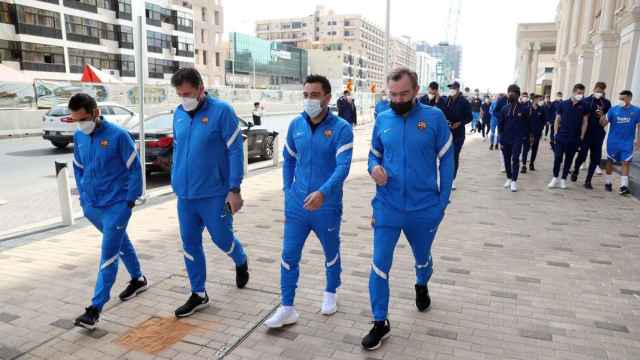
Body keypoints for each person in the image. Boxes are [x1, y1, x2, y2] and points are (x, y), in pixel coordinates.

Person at [363, 68, 454, 350]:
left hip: (424, 208)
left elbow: (448, 161)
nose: (398, 99)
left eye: (403, 94)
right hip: (387, 206)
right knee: (379, 263)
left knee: (422, 258)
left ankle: (421, 281)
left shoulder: (434, 118)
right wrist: (373, 169)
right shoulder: (383, 118)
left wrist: (441, 203)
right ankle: (380, 322)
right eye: (392, 94)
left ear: (416, 91)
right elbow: (373, 155)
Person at [264, 75, 354, 328]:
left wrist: (323, 193)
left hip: (327, 205)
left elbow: (343, 167)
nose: (309, 100)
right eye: (306, 95)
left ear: (327, 97)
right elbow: (288, 158)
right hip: (297, 204)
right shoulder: (296, 125)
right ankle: (287, 307)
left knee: (330, 251)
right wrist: (287, 190)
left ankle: (330, 292)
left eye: (314, 95)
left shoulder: (341, 129)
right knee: (288, 254)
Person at [170, 68, 250, 318]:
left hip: (215, 193)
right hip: (185, 196)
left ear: (201, 89)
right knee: (190, 243)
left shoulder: (222, 112)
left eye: (189, 93)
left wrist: (234, 189)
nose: (185, 99)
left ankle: (240, 259)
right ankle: (198, 293)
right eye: (180, 94)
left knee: (222, 239)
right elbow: (178, 147)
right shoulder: (179, 114)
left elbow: (235, 150)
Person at [70, 93, 147, 330]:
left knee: (109, 253)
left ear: (95, 113)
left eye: (83, 118)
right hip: (93, 206)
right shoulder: (79, 136)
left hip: (117, 206)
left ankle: (94, 309)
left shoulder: (118, 136)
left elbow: (135, 169)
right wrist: (84, 199)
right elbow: (79, 167)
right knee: (120, 242)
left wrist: (129, 201)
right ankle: (138, 279)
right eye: (75, 120)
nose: (80, 124)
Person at [570, 82, 611, 189]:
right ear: (594, 89)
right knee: (582, 154)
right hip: (586, 133)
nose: (599, 92)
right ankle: (576, 170)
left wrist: (602, 115)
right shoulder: (586, 101)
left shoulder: (606, 103)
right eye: (597, 90)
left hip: (598, 133)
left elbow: (606, 120)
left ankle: (588, 180)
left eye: (601, 91)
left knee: (595, 157)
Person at [548, 84, 589, 190]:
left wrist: (582, 136)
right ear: (574, 92)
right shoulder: (563, 104)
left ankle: (563, 179)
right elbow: (557, 119)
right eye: (579, 93)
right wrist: (555, 133)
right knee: (558, 157)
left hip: (574, 137)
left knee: (569, 159)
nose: (581, 95)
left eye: (582, 93)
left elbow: (585, 122)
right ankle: (555, 177)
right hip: (561, 136)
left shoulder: (584, 105)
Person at [601, 90, 640, 195]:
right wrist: (602, 115)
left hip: (627, 142)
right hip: (613, 141)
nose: (621, 101)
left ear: (629, 98)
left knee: (626, 162)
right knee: (610, 161)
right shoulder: (613, 110)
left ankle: (623, 186)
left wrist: (638, 141)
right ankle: (608, 182)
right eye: (620, 99)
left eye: (623, 99)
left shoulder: (636, 111)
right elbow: (603, 123)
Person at [498, 85, 529, 192]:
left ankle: (514, 181)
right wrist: (500, 140)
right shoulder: (504, 108)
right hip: (506, 138)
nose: (510, 94)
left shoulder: (524, 109)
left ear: (517, 94)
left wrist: (526, 137)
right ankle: (509, 177)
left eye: (513, 92)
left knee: (515, 158)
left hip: (517, 138)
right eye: (509, 92)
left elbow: (527, 124)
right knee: (506, 160)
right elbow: (500, 125)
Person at [444, 81, 472, 189]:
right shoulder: (447, 100)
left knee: (454, 155)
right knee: (446, 156)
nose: (451, 89)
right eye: (450, 87)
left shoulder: (464, 102)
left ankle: (452, 179)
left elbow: (469, 117)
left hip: (458, 133)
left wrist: (460, 123)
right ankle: (445, 177)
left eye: (453, 88)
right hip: (447, 132)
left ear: (458, 89)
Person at [522, 94, 546, 172]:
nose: (539, 101)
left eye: (540, 99)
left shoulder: (541, 110)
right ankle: (524, 165)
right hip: (527, 133)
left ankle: (531, 163)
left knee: (534, 149)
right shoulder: (527, 109)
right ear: (534, 100)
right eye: (538, 99)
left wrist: (540, 129)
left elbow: (543, 121)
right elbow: (523, 120)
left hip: (537, 133)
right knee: (526, 149)